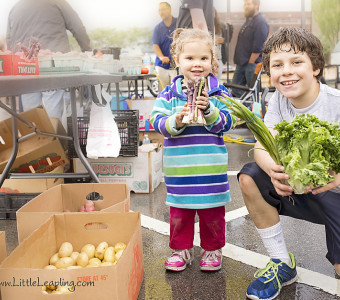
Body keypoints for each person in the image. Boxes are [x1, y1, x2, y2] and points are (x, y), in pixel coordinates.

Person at [238, 27, 340, 300]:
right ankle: (282, 263)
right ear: (270, 73)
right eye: (277, 65)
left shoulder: (335, 104)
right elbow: (262, 144)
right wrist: (273, 170)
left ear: (316, 66)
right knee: (249, 176)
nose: (287, 71)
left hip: (335, 193)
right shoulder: (278, 102)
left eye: (297, 62)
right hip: (294, 189)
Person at [150, 28, 236, 272]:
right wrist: (175, 121)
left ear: (212, 61)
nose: (197, 64)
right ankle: (181, 250)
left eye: (203, 58)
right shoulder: (168, 95)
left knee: (212, 215)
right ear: (177, 60)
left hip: (211, 171)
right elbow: (156, 122)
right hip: (180, 172)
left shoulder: (219, 93)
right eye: (189, 58)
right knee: (180, 216)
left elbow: (228, 123)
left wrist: (209, 110)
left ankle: (212, 249)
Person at [6, 0, 91, 120]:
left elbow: (10, 40)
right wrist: (87, 50)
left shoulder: (16, 7)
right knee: (55, 113)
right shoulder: (58, 2)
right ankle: (57, 137)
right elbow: (78, 28)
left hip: (26, 66)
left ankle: (37, 138)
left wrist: (17, 63)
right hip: (54, 66)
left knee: (31, 116)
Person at [231, 0, 268, 98]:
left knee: (253, 92)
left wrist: (251, 62)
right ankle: (247, 106)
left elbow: (259, 46)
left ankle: (252, 109)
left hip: (251, 64)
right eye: (245, 4)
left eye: (248, 4)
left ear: (256, 5)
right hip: (242, 63)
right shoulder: (249, 21)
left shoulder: (260, 22)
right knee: (235, 88)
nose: (245, 6)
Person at [152, 2, 177, 93]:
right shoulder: (157, 28)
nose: (161, 12)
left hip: (176, 65)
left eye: (163, 9)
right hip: (161, 65)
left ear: (169, 10)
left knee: (176, 91)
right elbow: (155, 45)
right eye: (159, 10)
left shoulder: (178, 23)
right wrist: (162, 57)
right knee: (163, 92)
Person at [214, 9, 233, 81]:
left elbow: (228, 39)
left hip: (219, 58)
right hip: (208, 59)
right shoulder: (204, 25)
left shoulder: (220, 25)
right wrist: (213, 41)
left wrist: (230, 26)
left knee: (216, 81)